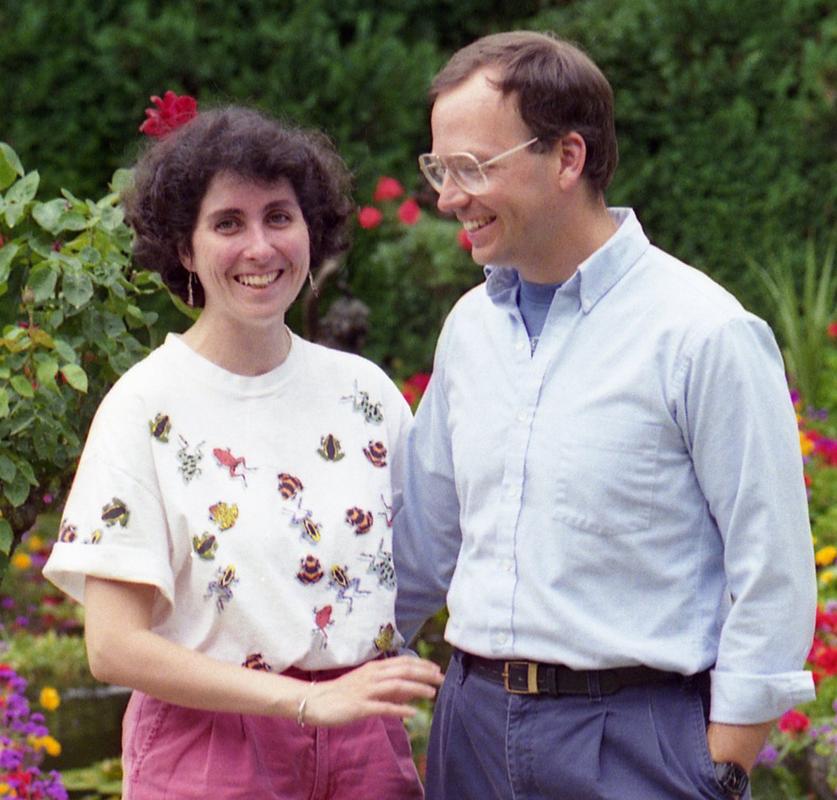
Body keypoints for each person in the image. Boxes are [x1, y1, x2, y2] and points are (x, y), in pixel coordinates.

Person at [393, 30, 816, 800]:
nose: (448, 196)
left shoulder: (702, 333)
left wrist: (719, 763)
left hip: (636, 741)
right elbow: (421, 539)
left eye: (472, 167)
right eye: (439, 168)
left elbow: (774, 569)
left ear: (566, 158)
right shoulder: (469, 328)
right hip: (471, 730)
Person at [43, 105, 442, 800]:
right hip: (210, 747)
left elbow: (424, 562)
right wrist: (300, 701)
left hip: (364, 744)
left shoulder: (365, 394)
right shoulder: (145, 408)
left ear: (311, 232)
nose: (260, 247)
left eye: (279, 217)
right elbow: (112, 645)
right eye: (228, 223)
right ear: (184, 249)